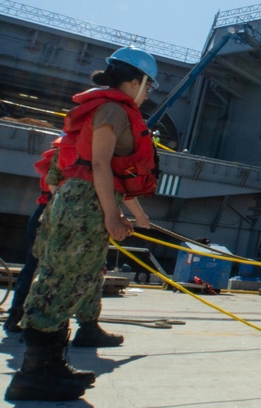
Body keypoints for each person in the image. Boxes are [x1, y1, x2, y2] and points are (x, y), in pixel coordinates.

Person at [5, 47, 159, 402]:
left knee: (66, 280)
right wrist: (111, 214)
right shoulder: (114, 109)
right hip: (88, 203)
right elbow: (102, 165)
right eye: (147, 86)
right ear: (134, 81)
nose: (147, 93)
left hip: (81, 200)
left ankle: (50, 365)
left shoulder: (107, 108)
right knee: (62, 282)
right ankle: (35, 373)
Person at [4, 150, 123, 349]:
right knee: (57, 274)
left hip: (57, 213)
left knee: (46, 270)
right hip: (67, 215)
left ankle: (31, 323)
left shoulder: (67, 150)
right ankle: (37, 328)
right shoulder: (89, 151)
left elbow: (52, 181)